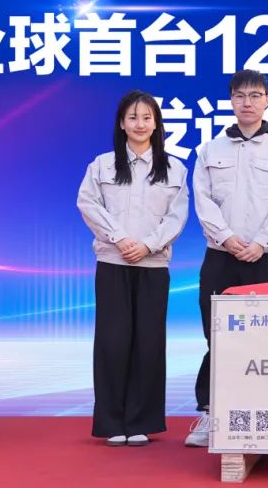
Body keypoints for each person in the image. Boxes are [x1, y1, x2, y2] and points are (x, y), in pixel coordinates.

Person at [185, 70, 268, 447]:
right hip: (221, 257)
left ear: (267, 100)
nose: (247, 103)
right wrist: (227, 238)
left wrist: (261, 242)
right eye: (240, 96)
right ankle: (210, 413)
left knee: (266, 338)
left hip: (267, 258)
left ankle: (265, 414)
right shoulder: (210, 150)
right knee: (217, 336)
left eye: (255, 95)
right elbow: (202, 200)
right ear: (231, 100)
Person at [77, 91, 189, 447]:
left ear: (156, 124)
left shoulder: (174, 168)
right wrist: (121, 238)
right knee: (112, 342)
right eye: (132, 117)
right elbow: (88, 204)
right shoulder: (102, 165)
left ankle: (141, 420)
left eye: (146, 118)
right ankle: (112, 421)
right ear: (122, 124)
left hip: (153, 264)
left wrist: (148, 245)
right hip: (113, 262)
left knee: (149, 342)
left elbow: (177, 216)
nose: (140, 124)